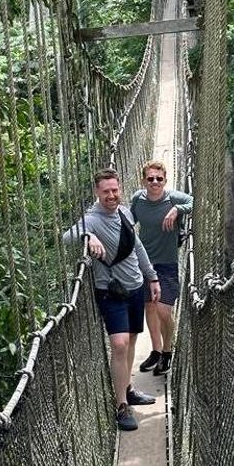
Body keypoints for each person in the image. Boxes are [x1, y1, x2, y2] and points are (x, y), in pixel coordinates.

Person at [63, 168, 161, 431]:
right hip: (111, 291)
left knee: (129, 341)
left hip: (136, 287)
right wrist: (89, 235)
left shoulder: (126, 212)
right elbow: (65, 238)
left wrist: (152, 277)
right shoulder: (91, 219)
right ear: (97, 192)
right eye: (106, 191)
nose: (111, 195)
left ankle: (127, 388)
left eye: (115, 190)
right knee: (118, 344)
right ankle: (121, 406)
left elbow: (137, 247)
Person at [130, 160, 193, 376]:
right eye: (150, 179)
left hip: (167, 264)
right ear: (143, 180)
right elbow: (129, 220)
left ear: (165, 180)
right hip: (145, 263)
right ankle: (156, 351)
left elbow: (195, 201)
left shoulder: (173, 198)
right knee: (149, 306)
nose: (155, 182)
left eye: (159, 178)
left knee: (164, 311)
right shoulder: (138, 199)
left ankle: (167, 351)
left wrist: (177, 209)